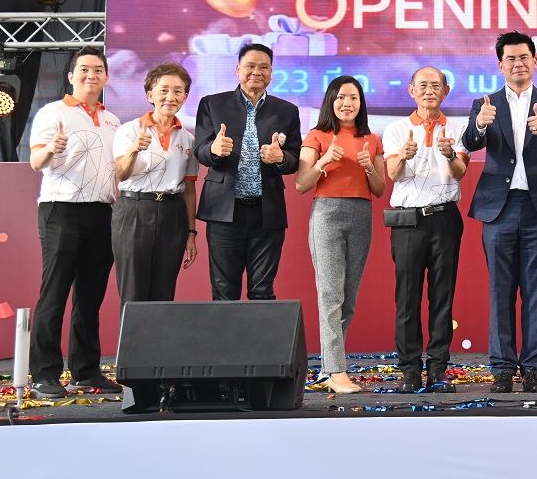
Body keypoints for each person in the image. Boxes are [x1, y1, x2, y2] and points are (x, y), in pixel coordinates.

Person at [462, 31, 537, 394]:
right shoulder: (485, 103)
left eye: (524, 57)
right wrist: (480, 123)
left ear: (535, 62)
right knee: (500, 291)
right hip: (499, 207)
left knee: (536, 290)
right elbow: (469, 142)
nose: (518, 64)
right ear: (500, 66)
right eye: (510, 59)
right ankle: (501, 368)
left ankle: (533, 369)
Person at [26, 46, 122, 399]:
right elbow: (36, 162)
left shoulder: (113, 121)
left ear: (106, 77)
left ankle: (85, 371)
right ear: (71, 75)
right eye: (84, 69)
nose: (90, 75)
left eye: (97, 70)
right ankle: (44, 374)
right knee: (55, 293)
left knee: (90, 298)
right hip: (62, 209)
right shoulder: (53, 112)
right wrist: (52, 148)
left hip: (103, 212)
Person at [294, 75, 384, 394]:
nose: (347, 103)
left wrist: (369, 168)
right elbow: (301, 184)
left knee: (348, 299)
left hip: (361, 214)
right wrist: (323, 161)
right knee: (331, 294)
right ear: (331, 100)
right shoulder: (317, 135)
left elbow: (379, 189)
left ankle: (329, 366)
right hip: (327, 214)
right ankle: (335, 370)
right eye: (341, 97)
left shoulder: (371, 138)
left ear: (361, 103)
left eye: (354, 98)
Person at [382, 66, 470, 392]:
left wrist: (449, 153)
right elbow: (393, 174)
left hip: (445, 218)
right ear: (411, 90)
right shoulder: (396, 129)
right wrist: (403, 156)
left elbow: (460, 172)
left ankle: (437, 368)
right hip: (408, 221)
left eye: (436, 86)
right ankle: (409, 370)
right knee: (407, 298)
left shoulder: (458, 128)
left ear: (446, 91)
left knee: (442, 297)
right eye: (423, 85)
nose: (429, 91)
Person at [194, 43, 301, 301]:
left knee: (262, 292)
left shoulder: (287, 110)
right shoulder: (212, 104)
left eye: (264, 67)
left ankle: (261, 331)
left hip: (267, 213)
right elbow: (200, 150)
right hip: (224, 212)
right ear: (238, 69)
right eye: (250, 66)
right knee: (224, 293)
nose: (257, 72)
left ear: (271, 72)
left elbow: (295, 159)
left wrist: (280, 158)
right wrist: (214, 150)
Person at [111, 62, 198, 307]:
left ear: (185, 98)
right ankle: (131, 335)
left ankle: (159, 335)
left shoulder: (189, 139)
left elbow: (189, 190)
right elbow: (121, 174)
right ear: (151, 95)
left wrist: (191, 233)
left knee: (164, 292)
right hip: (134, 210)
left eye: (178, 91)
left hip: (172, 213)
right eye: (164, 90)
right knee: (133, 290)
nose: (170, 97)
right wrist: (134, 149)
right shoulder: (129, 130)